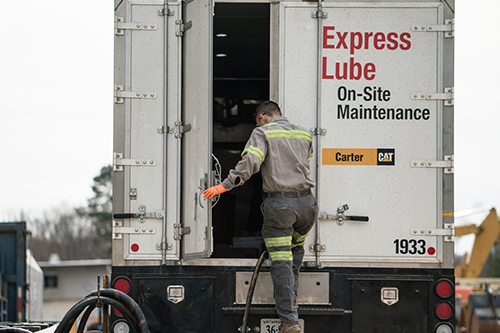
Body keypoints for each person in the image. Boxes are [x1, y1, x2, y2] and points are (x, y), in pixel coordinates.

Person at [203, 101, 319, 333]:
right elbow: (305, 161)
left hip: (281, 207)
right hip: (308, 205)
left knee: (281, 261)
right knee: (295, 251)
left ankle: (289, 321)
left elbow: (250, 163)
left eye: (257, 120)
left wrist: (223, 187)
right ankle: (291, 300)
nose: (257, 124)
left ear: (263, 117)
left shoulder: (262, 132)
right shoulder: (304, 133)